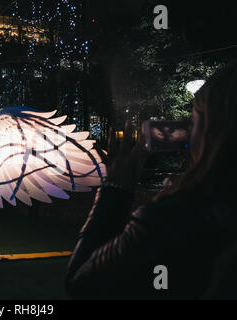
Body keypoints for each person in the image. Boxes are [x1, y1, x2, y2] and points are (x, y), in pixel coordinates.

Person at [65, 61, 237, 299]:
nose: (186, 130)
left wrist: (115, 190)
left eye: (194, 121)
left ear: (211, 132)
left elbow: (82, 284)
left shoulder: (173, 218)